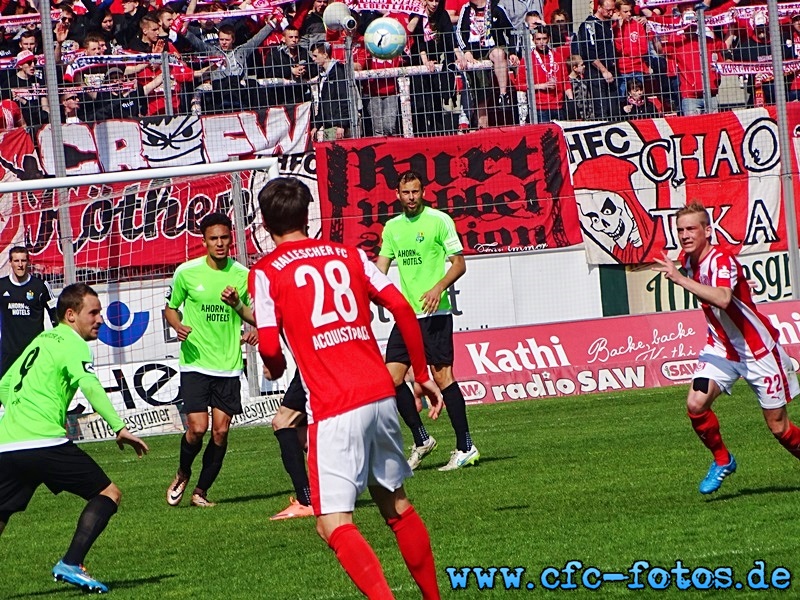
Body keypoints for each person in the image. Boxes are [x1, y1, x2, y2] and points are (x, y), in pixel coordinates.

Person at [250, 177, 442, 599]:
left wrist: (275, 364)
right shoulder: (349, 254)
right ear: (308, 215)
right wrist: (423, 373)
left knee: (332, 524)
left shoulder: (265, 271)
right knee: (397, 507)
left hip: (333, 407)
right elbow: (401, 308)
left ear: (264, 224)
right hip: (380, 395)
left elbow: (268, 346)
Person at [0, 283, 149, 593]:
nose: (100, 319)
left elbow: (4, 384)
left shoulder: (40, 341)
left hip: (8, 443)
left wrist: (19, 411)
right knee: (109, 494)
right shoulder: (72, 344)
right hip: (42, 442)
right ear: (71, 315)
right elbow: (91, 386)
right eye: (93, 312)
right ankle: (71, 562)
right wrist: (118, 426)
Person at [653, 202, 800, 495]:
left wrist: (681, 280)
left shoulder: (721, 259)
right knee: (695, 404)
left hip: (757, 352)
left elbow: (722, 298)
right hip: (721, 348)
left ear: (708, 231)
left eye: (691, 228)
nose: (685, 235)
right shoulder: (689, 260)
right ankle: (723, 460)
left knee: (779, 428)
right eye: (680, 229)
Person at [377, 170, 478, 472]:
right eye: (406, 192)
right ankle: (422, 439)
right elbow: (380, 268)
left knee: (443, 377)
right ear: (397, 194)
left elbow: (459, 264)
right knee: (390, 379)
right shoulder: (392, 228)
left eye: (416, 192)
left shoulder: (438, 220)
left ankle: (465, 446)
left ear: (423, 192)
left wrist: (437, 288)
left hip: (435, 315)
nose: (411, 197)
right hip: (406, 316)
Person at [164, 213, 252, 508]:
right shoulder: (186, 273)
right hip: (195, 362)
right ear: (204, 241)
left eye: (224, 238)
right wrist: (177, 326)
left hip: (227, 364)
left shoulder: (242, 275)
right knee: (197, 429)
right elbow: (171, 308)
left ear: (231, 239)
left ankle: (201, 491)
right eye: (213, 238)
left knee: (221, 431)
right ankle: (183, 472)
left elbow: (256, 315)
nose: (219, 243)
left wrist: (246, 318)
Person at [0, 246, 57, 378]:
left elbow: (55, 315)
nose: (20, 265)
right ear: (10, 262)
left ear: (28, 262)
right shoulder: (2, 286)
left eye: (23, 261)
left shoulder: (40, 286)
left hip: (35, 352)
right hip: (9, 353)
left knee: (36, 391)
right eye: (16, 261)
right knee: (4, 394)